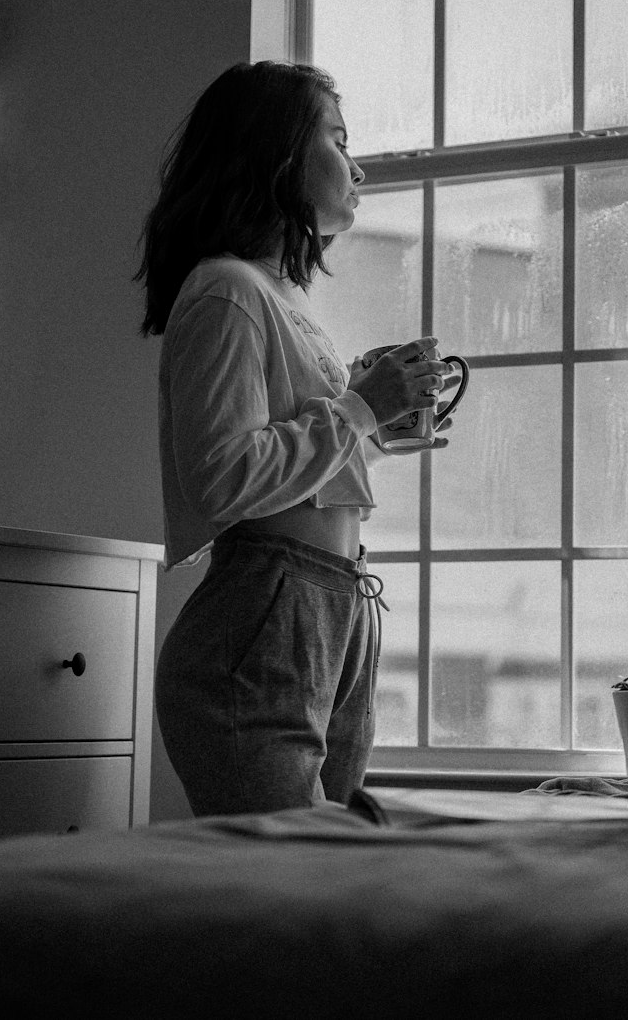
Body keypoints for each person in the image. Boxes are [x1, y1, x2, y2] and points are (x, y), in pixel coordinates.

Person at [135, 60, 458, 816]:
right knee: (293, 890)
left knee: (322, 889)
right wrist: (360, 410)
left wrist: (380, 423)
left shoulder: (275, 297)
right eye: (339, 140)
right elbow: (221, 477)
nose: (358, 164)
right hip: (270, 613)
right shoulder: (226, 289)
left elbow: (296, 472)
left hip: (330, 609)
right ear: (278, 155)